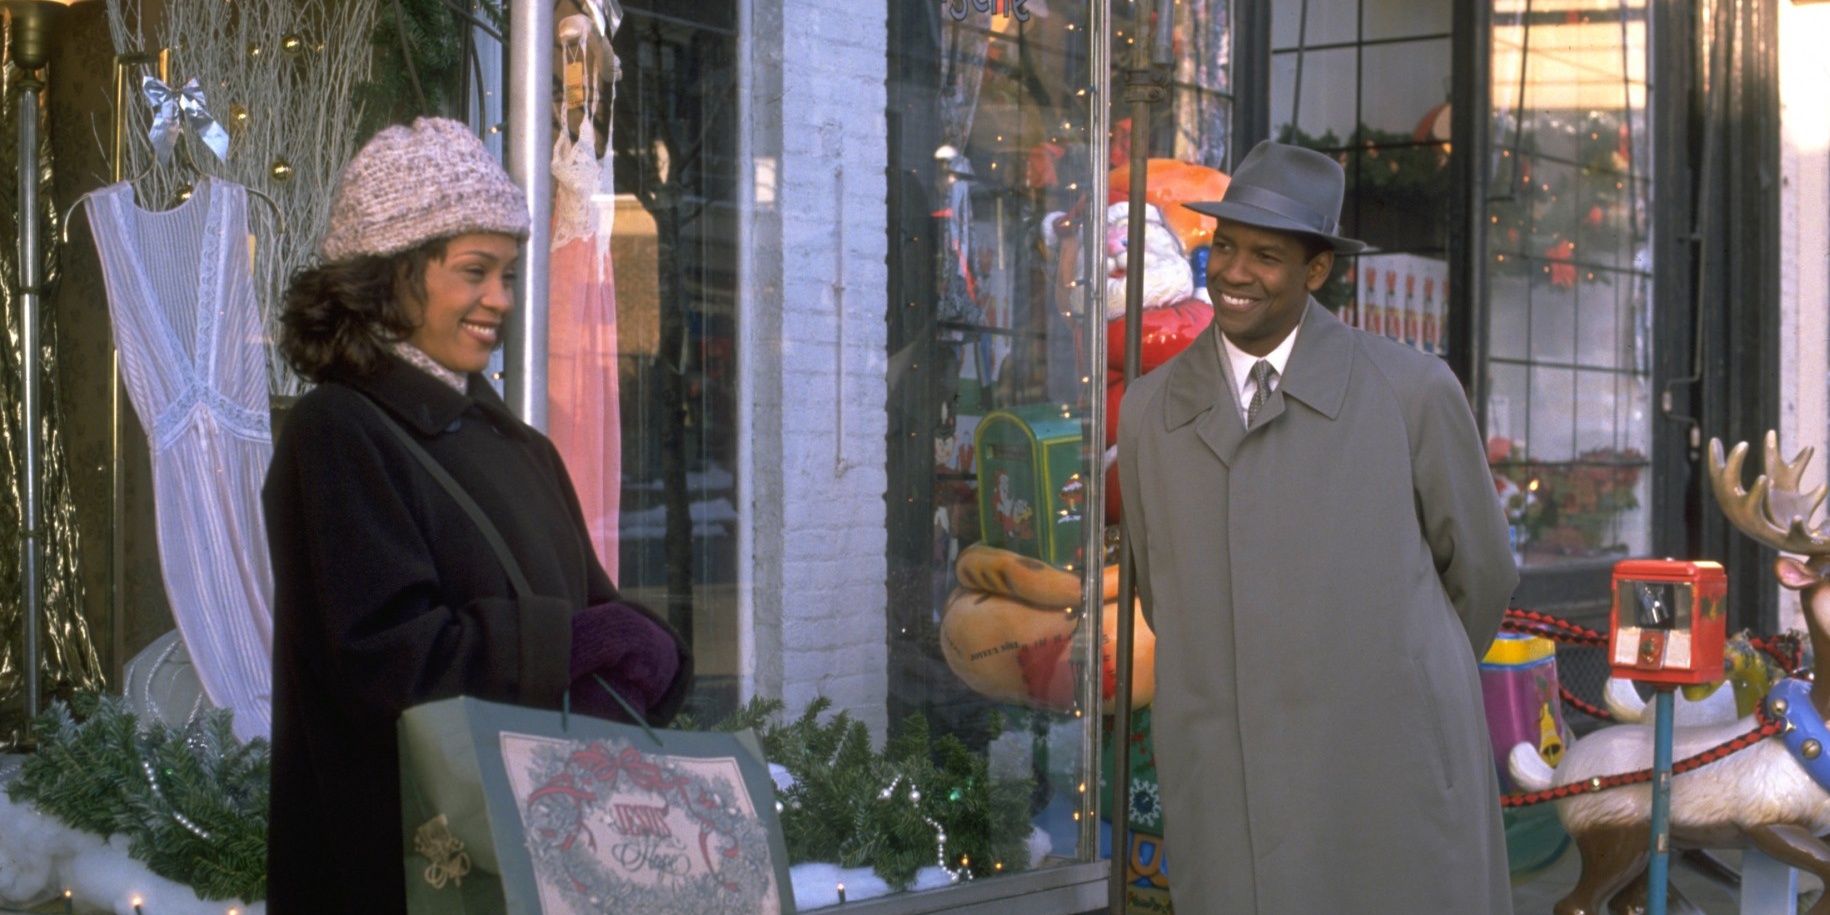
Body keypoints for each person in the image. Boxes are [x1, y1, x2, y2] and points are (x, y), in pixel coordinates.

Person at [262, 117, 692, 914]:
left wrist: (640, 648)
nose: (500, 298)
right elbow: (388, 661)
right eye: (474, 271)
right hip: (399, 878)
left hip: (537, 864)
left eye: (508, 272)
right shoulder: (340, 431)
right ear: (389, 275)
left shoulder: (517, 443)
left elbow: (587, 611)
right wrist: (570, 645)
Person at [1116, 140, 1518, 913]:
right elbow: (1160, 589)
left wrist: (1391, 674)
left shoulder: (1413, 392)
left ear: (1317, 271)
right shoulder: (1149, 410)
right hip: (1224, 771)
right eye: (1225, 246)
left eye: (1266, 254)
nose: (1234, 272)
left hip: (1382, 767)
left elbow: (1483, 574)